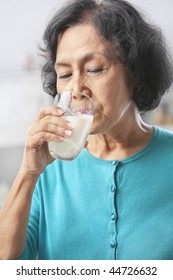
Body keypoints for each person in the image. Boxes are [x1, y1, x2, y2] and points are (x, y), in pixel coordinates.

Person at [0, 0, 173, 260]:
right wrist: (28, 173)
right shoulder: (47, 169)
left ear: (136, 72)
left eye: (94, 69)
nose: (77, 88)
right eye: (65, 74)